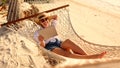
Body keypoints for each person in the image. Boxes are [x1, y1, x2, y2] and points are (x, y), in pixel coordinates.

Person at [34, 13, 106, 59]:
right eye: (42, 21)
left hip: (59, 42)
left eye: (46, 19)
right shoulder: (37, 33)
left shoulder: (52, 25)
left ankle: (87, 55)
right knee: (67, 53)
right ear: (40, 23)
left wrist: (48, 17)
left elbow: (56, 16)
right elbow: (42, 47)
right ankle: (91, 57)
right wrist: (41, 41)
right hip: (50, 46)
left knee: (68, 41)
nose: (45, 21)